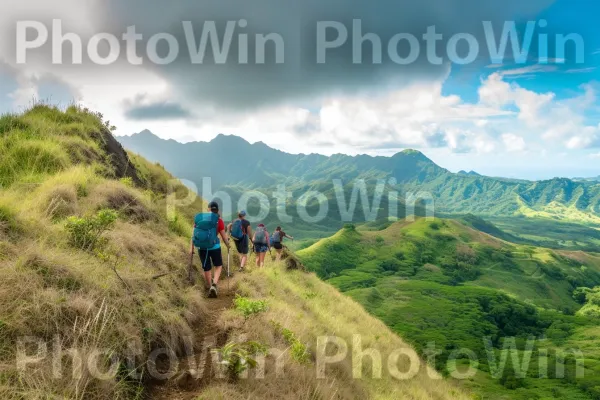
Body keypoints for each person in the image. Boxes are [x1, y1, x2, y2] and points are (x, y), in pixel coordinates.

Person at [192, 201, 229, 298]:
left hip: (202, 247)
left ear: (208, 209)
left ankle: (209, 286)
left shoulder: (200, 218)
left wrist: (191, 248)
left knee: (206, 267)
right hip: (214, 246)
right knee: (218, 265)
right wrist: (228, 245)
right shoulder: (218, 220)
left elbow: (194, 235)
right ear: (217, 210)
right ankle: (214, 284)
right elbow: (224, 236)